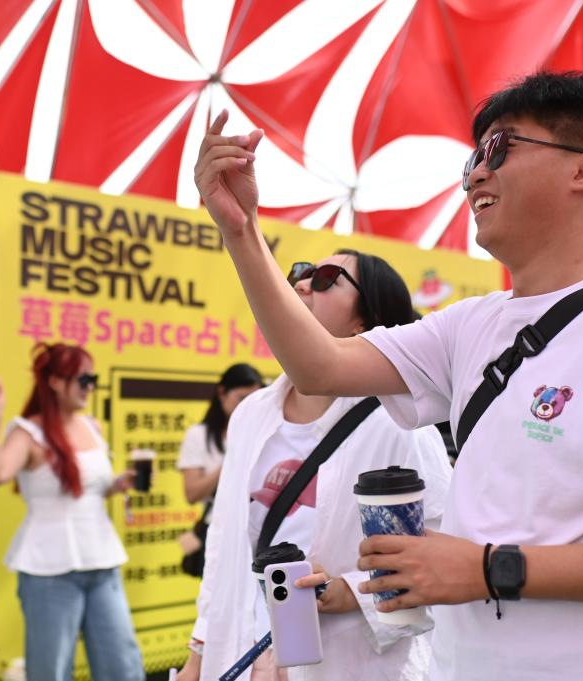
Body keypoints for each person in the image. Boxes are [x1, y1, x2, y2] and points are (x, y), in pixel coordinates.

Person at [194, 71, 583, 680]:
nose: (476, 175)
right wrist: (241, 230)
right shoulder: (470, 324)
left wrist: (488, 569)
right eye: (473, 158)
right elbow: (320, 364)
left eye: (501, 149)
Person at [176, 249, 452, 680]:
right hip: (247, 658)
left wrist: (350, 592)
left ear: (365, 322)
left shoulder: (399, 425)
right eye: (300, 273)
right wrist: (200, 649)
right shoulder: (252, 413)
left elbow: (440, 558)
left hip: (348, 665)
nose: (302, 284)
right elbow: (224, 545)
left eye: (326, 279)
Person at [0, 342, 144, 681]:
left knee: (123, 666)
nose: (90, 387)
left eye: (93, 379)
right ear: (55, 381)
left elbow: (88, 490)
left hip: (102, 562)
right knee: (50, 671)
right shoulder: (29, 432)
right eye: (83, 379)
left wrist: (117, 484)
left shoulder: (92, 426)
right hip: (49, 570)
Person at [178, 363, 264, 505]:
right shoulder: (198, 435)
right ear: (222, 393)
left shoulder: (264, 433)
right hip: (216, 518)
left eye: (254, 400)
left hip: (256, 518)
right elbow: (192, 494)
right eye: (242, 399)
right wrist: (231, 461)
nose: (248, 407)